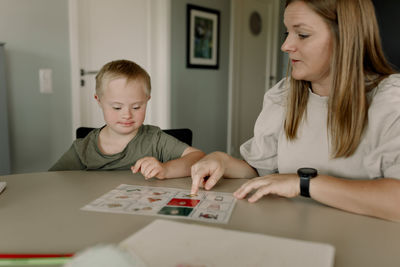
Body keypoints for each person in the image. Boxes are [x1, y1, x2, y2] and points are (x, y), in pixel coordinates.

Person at [191, 0, 400, 222]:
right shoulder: (284, 95)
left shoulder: (390, 99)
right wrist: (222, 160)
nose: (286, 46)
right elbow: (260, 170)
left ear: (345, 38)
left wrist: (303, 183)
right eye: (287, 33)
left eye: (302, 35)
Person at [50, 59, 204, 179]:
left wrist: (166, 169)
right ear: (98, 100)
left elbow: (198, 157)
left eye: (136, 107)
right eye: (117, 107)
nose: (127, 115)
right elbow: (53, 179)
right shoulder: (83, 148)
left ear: (147, 100)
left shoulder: (155, 140)